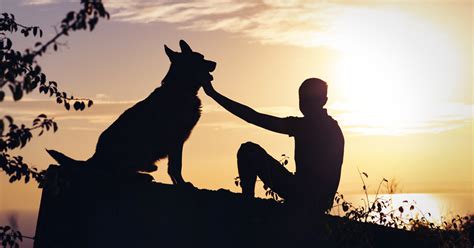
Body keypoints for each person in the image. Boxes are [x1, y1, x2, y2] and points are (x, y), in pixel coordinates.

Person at [202, 78, 344, 213]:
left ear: (323, 101)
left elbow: (253, 117)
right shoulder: (331, 128)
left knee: (248, 150)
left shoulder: (306, 126)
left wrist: (213, 94)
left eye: (309, 100)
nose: (305, 104)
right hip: (317, 200)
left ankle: (248, 205)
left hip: (304, 196)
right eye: (303, 99)